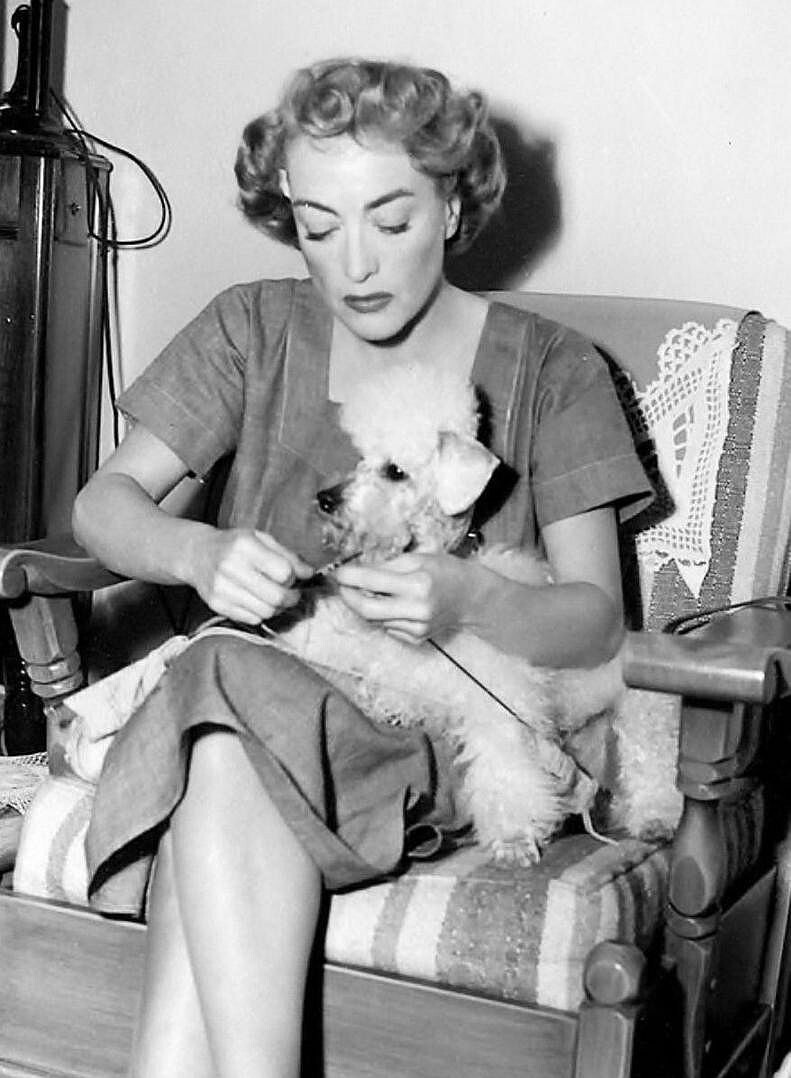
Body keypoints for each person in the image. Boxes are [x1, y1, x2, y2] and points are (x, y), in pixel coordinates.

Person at [72, 57, 652, 1078]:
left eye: (389, 220)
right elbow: (101, 505)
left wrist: (469, 598)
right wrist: (195, 550)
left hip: (427, 734)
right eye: (316, 224)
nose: (353, 264)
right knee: (223, 706)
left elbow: (597, 622)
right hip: (241, 715)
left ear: (452, 206)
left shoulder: (554, 370)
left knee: (218, 695)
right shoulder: (251, 327)